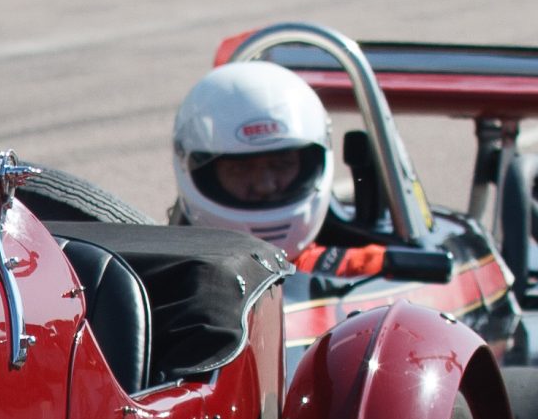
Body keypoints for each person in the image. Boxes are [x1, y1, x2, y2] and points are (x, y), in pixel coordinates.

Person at [171, 60, 405, 279]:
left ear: (309, 166)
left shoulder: (365, 269)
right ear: (204, 174)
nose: (265, 185)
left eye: (282, 164)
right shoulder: (168, 282)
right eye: (241, 168)